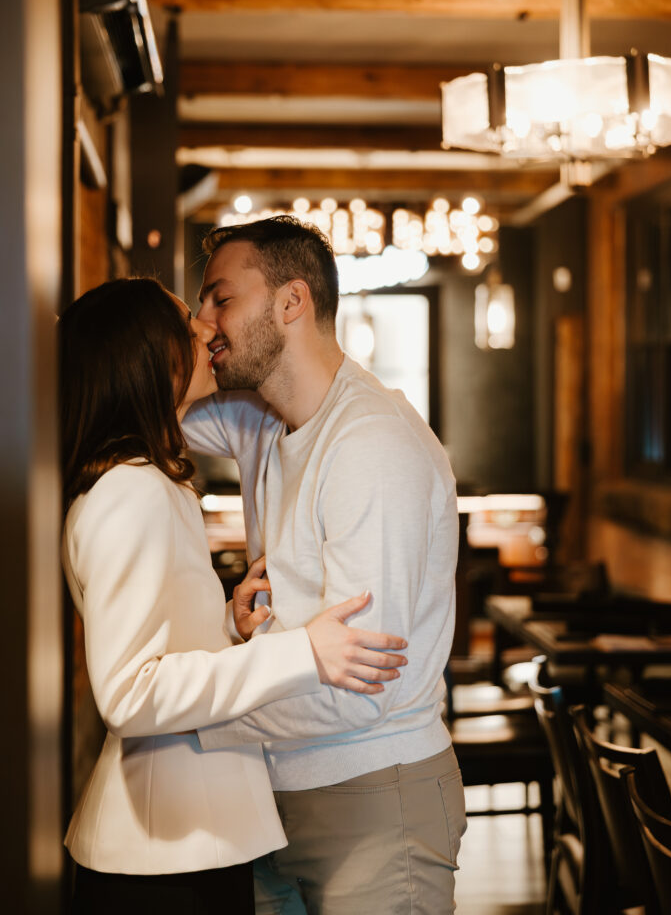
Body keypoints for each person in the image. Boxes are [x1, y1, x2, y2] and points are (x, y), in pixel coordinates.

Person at [58, 277, 408, 915]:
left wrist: (226, 622)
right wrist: (304, 653)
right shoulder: (129, 492)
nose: (205, 333)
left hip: (187, 840)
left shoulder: (140, 483)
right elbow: (129, 693)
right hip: (164, 850)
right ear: (147, 360)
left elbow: (158, 646)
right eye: (185, 328)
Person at [183, 215, 467, 915]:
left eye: (220, 298)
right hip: (270, 794)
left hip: (374, 797)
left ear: (291, 302)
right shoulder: (258, 418)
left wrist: (186, 718)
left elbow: (360, 686)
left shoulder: (370, 444)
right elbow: (140, 401)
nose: (201, 320)